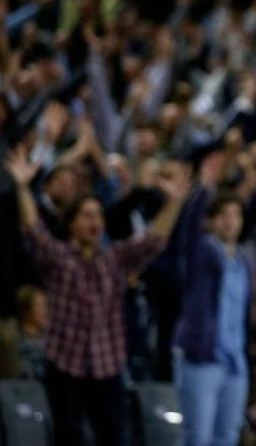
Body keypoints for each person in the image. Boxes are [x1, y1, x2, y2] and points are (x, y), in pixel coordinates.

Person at [5, 146, 187, 446]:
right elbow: (33, 231)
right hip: (65, 366)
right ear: (72, 223)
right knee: (70, 438)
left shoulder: (114, 258)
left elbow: (153, 241)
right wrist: (23, 188)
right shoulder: (58, 257)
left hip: (107, 365)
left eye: (99, 216)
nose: (96, 222)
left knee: (116, 438)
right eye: (88, 215)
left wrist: (175, 203)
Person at [171, 150, 256, 446]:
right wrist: (203, 190)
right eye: (223, 215)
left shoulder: (243, 261)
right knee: (198, 437)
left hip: (235, 363)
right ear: (212, 221)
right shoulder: (204, 251)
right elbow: (188, 234)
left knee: (227, 438)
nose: (230, 221)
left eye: (236, 215)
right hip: (201, 357)